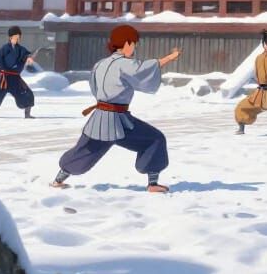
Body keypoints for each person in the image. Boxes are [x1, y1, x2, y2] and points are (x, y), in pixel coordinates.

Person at [50, 25, 181, 193]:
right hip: (119, 121)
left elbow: (94, 87)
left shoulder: (100, 64)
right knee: (155, 139)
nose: (134, 48)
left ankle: (58, 179)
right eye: (133, 44)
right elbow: (146, 69)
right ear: (127, 43)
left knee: (84, 150)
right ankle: (153, 184)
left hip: (99, 119)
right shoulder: (126, 64)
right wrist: (170, 57)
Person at [0, 26, 40, 119]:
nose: (17, 38)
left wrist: (29, 58)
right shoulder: (4, 48)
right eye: (15, 36)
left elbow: (26, 55)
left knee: (26, 93)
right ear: (10, 37)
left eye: (19, 37)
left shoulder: (21, 49)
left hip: (15, 78)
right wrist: (2, 68)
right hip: (3, 77)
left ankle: (27, 113)